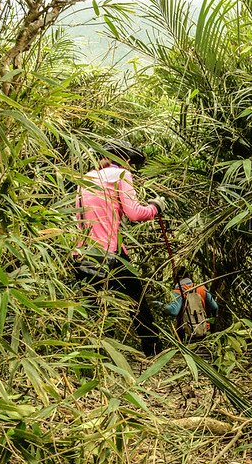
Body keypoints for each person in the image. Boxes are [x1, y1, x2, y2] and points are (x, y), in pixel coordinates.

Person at [74, 141, 166, 356]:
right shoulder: (121, 175)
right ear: (125, 160)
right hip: (109, 254)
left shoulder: (86, 178)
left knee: (92, 308)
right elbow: (134, 214)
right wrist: (156, 207)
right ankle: (153, 351)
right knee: (137, 301)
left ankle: (92, 359)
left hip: (83, 252)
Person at [164, 267, 218, 337]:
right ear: (188, 276)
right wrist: (212, 323)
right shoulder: (201, 288)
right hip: (203, 330)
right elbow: (215, 307)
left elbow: (173, 311)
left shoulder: (178, 292)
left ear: (176, 278)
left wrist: (159, 305)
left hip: (185, 334)